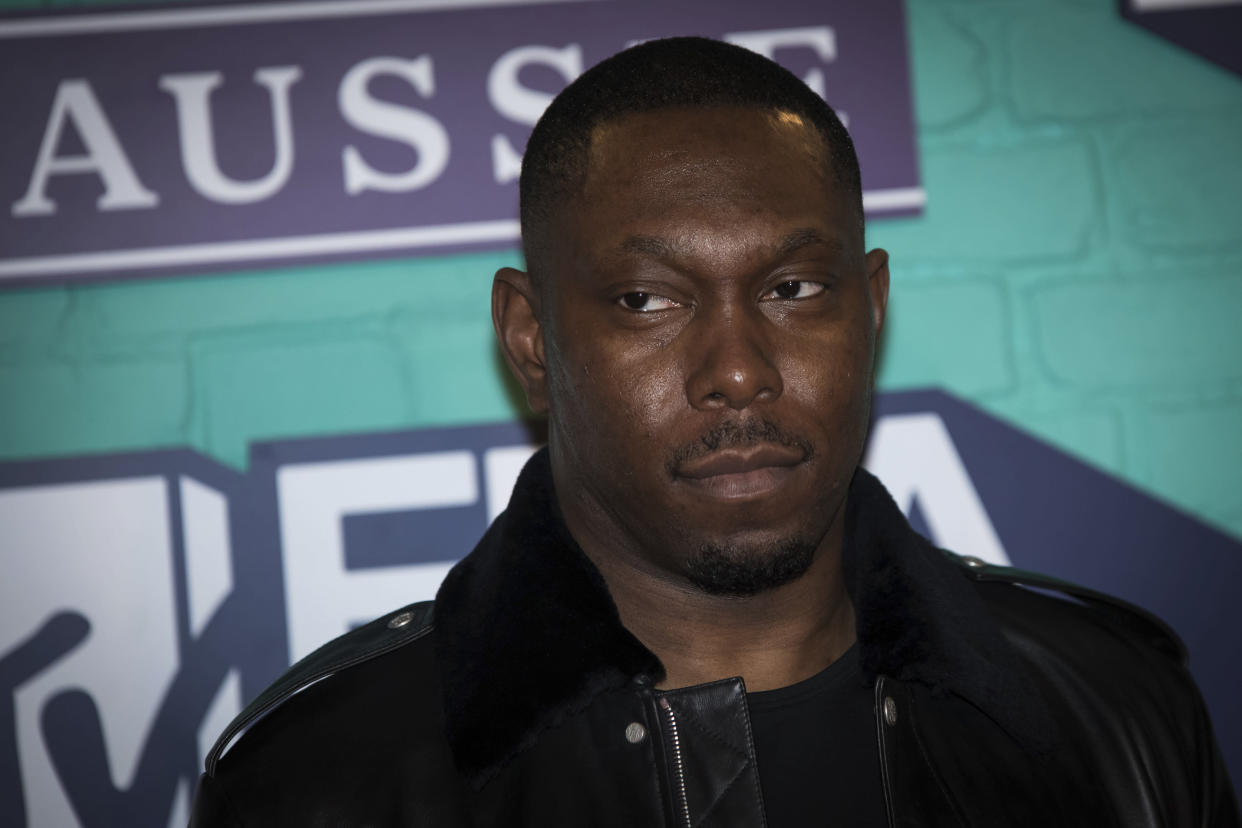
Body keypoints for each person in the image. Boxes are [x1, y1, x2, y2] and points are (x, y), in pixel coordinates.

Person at [190, 37, 1238, 827]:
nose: (738, 369)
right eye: (647, 300)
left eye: (792, 287)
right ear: (531, 338)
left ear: (869, 310)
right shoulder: (325, 785)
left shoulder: (1115, 709)